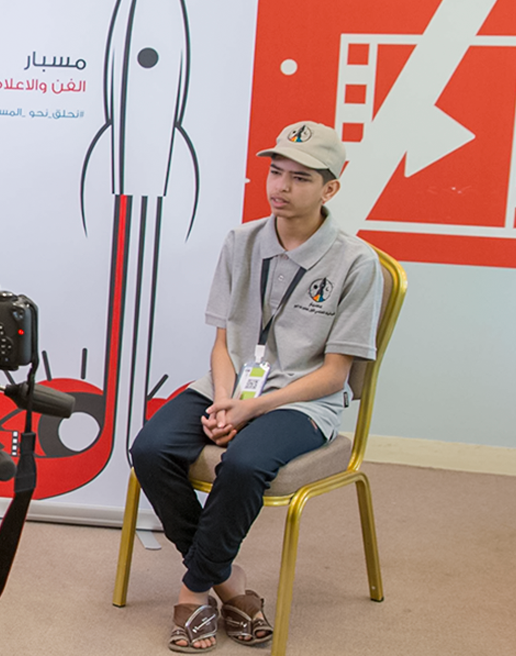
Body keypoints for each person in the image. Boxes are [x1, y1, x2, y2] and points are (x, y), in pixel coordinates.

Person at [130, 122, 383, 652]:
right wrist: (228, 401)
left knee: (243, 464)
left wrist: (252, 409)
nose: (281, 187)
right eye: (275, 172)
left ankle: (194, 590)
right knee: (150, 448)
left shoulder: (357, 263)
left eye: (300, 178)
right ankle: (228, 581)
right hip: (228, 386)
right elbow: (223, 344)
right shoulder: (241, 241)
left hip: (304, 400)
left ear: (330, 189)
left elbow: (334, 374)